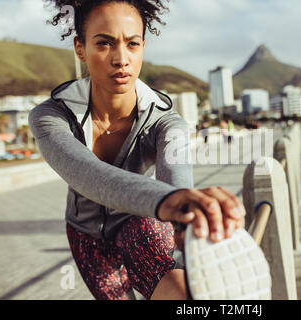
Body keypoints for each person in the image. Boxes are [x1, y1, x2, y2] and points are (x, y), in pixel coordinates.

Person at [30, 0, 245, 300]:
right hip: (86, 236)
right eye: (104, 43)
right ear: (80, 48)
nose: (121, 59)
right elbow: (86, 174)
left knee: (184, 295)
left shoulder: (167, 124)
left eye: (132, 44)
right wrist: (171, 200)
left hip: (142, 222)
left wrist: (186, 211)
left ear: (143, 46)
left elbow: (176, 181)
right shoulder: (51, 117)